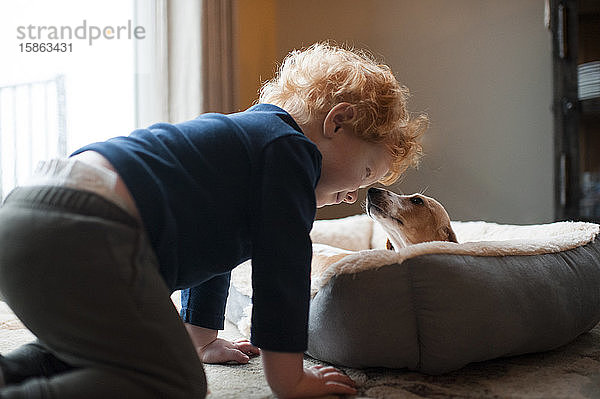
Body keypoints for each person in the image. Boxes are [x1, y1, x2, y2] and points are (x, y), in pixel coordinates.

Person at [0, 42, 427, 398]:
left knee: (109, 350)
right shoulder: (292, 152)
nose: (354, 194)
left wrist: (200, 338)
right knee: (176, 381)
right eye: (368, 172)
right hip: (84, 226)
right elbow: (284, 270)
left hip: (30, 216)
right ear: (338, 121)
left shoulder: (249, 149)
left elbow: (213, 247)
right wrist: (288, 378)